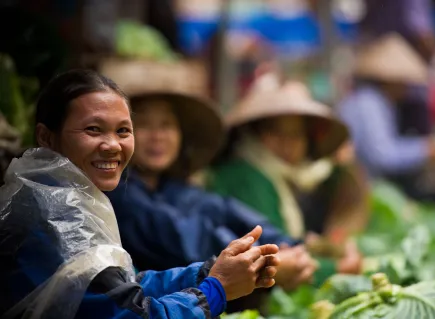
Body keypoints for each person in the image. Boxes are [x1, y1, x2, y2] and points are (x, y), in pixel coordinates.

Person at [0, 70, 280, 319]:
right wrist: (216, 288)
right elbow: (129, 311)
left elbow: (122, 286)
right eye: (93, 129)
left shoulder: (73, 197)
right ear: (47, 137)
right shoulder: (56, 217)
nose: (112, 145)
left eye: (123, 130)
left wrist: (208, 271)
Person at [105, 87, 319, 303]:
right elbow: (189, 239)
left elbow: (225, 210)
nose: (157, 136)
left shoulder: (173, 189)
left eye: (166, 125)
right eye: (144, 125)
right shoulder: (119, 193)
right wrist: (265, 260)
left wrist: (285, 244)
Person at [207, 73, 366, 282]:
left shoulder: (282, 175)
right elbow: (272, 257)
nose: (287, 144)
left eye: (296, 135)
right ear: (255, 133)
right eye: (276, 133)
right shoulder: (247, 177)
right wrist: (337, 268)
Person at [337, 33, 435, 216]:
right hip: (357, 192)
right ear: (391, 81)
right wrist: (425, 149)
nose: (406, 89)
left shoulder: (375, 102)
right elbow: (382, 155)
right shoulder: (370, 104)